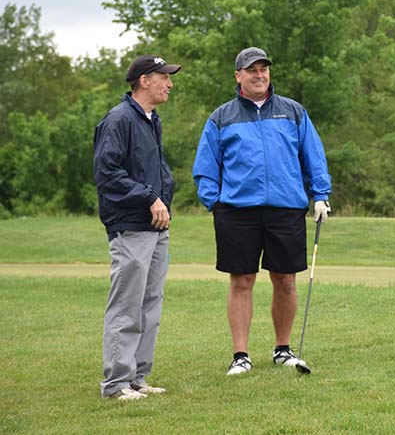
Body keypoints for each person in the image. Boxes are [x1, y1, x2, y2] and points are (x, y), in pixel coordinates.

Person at [192, 46, 332, 375]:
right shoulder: (221, 117)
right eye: (251, 69)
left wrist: (320, 195)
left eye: (264, 68)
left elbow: (313, 155)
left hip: (285, 208)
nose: (259, 74)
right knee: (241, 281)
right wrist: (215, 202)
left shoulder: (293, 112)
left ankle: (283, 349)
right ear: (238, 76)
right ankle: (240, 355)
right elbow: (205, 168)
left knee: (285, 280)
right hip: (237, 212)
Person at [94, 54, 181, 400]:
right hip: (131, 226)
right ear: (144, 80)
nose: (170, 84)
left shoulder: (150, 119)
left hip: (155, 227)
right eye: (164, 77)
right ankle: (116, 384)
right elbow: (107, 174)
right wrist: (149, 197)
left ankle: (136, 379)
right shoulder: (118, 120)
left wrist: (163, 199)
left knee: (150, 305)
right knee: (127, 305)